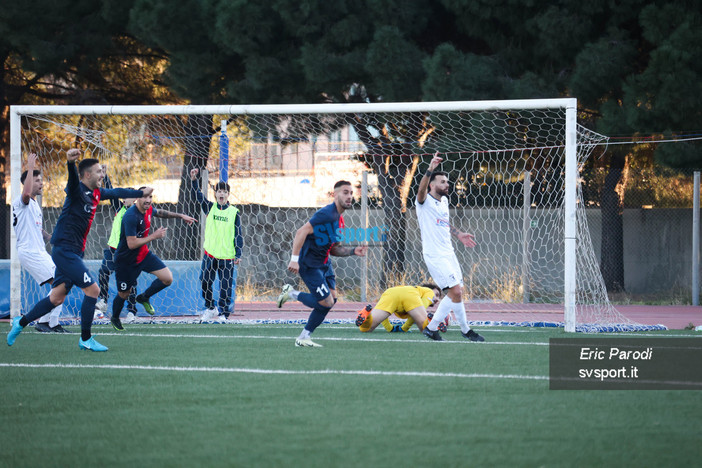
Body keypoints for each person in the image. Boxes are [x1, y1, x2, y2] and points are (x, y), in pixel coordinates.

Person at [7, 148, 149, 351]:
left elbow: (116, 192)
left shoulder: (96, 193)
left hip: (70, 251)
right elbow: (70, 181)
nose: (102, 174)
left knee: (56, 297)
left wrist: (139, 193)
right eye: (99, 171)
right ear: (88, 174)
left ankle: (21, 323)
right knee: (93, 290)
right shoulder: (76, 190)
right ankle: (85, 338)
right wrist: (69, 163)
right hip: (63, 251)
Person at [277, 180, 368, 347]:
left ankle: (304, 336)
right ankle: (291, 295)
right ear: (335, 194)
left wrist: (354, 251)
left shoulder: (339, 220)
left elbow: (335, 249)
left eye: (351, 193)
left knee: (331, 300)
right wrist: (294, 259)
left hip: (325, 264)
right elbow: (301, 232)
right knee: (326, 303)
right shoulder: (326, 214)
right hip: (309, 265)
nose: (349, 197)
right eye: (345, 192)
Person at [416, 153, 485, 342]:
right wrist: (430, 168)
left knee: (458, 291)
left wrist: (459, 234)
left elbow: (443, 223)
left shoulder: (444, 201)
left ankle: (432, 329)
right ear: (432, 184)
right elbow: (420, 190)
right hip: (435, 255)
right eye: (443, 182)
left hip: (449, 252)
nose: (447, 185)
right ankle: (464, 330)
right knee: (455, 291)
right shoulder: (423, 201)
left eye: (447, 182)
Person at [109, 188, 196, 331]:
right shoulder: (130, 216)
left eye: (150, 197)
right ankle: (115, 317)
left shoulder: (148, 209)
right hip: (126, 261)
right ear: (137, 198)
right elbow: (131, 244)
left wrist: (181, 216)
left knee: (167, 278)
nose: (148, 200)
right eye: (144, 197)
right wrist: (153, 236)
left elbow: (161, 213)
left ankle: (144, 297)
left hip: (144, 255)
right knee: (124, 293)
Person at [11, 153, 68, 333]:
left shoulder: (35, 205)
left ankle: (51, 322)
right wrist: (29, 166)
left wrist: (52, 238)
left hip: (39, 251)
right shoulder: (22, 202)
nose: (41, 183)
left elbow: (38, 231)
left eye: (40, 180)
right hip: (29, 252)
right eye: (36, 180)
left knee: (63, 283)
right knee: (61, 283)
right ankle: (45, 321)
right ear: (28, 182)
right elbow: (26, 192)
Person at [189, 168, 243, 323]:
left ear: (228, 195)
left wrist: (238, 253)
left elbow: (238, 234)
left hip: (227, 256)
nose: (221, 194)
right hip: (210, 254)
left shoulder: (234, 212)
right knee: (205, 281)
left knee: (225, 287)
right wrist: (194, 180)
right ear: (215, 194)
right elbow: (198, 196)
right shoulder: (210, 207)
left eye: (224, 192)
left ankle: (224, 314)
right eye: (219, 191)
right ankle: (210, 307)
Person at [95, 171, 139, 323]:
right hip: (112, 250)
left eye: (130, 196)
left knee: (130, 282)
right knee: (103, 272)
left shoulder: (135, 214)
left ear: (135, 200)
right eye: (125, 196)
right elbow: (112, 193)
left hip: (126, 252)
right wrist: (105, 176)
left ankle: (132, 311)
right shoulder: (119, 208)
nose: (126, 198)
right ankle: (103, 300)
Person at [354, 284, 444, 334]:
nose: (437, 299)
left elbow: (384, 317)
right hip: (409, 295)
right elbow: (419, 311)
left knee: (366, 329)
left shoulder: (406, 289)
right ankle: (434, 322)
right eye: (436, 295)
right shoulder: (427, 291)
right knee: (425, 329)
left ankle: (367, 315)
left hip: (390, 292)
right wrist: (404, 328)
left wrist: (390, 328)